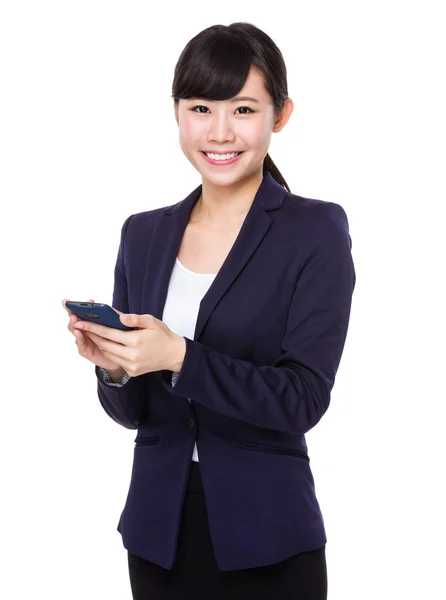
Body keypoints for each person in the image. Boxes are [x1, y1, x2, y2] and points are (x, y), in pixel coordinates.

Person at [63, 21, 355, 600]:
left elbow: (302, 399)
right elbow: (134, 413)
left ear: (281, 114)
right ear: (177, 113)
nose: (220, 132)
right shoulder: (143, 234)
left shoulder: (314, 230)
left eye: (243, 109)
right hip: (157, 536)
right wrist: (116, 368)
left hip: (268, 538)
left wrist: (179, 355)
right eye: (201, 107)